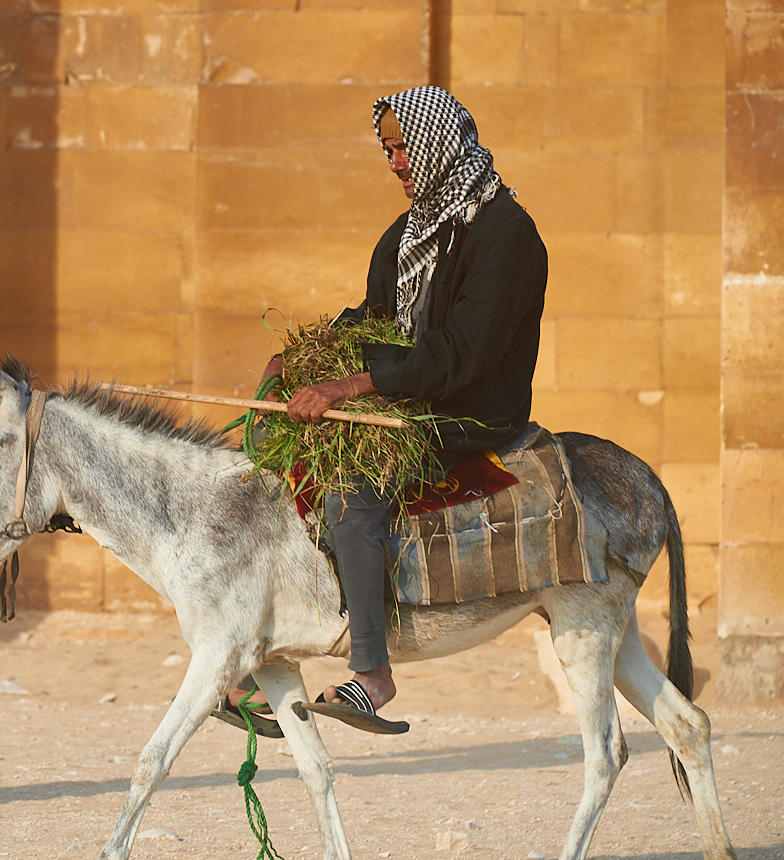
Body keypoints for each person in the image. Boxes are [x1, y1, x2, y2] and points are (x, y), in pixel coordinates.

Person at [228, 86, 548, 734]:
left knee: (349, 488)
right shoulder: (405, 235)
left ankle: (373, 673)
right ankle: (257, 668)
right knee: (276, 469)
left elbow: (462, 352)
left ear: (435, 146)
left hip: (464, 412)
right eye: (389, 150)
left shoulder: (508, 235)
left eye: (403, 149)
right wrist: (295, 361)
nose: (395, 163)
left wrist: (349, 388)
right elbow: (373, 320)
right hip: (406, 396)